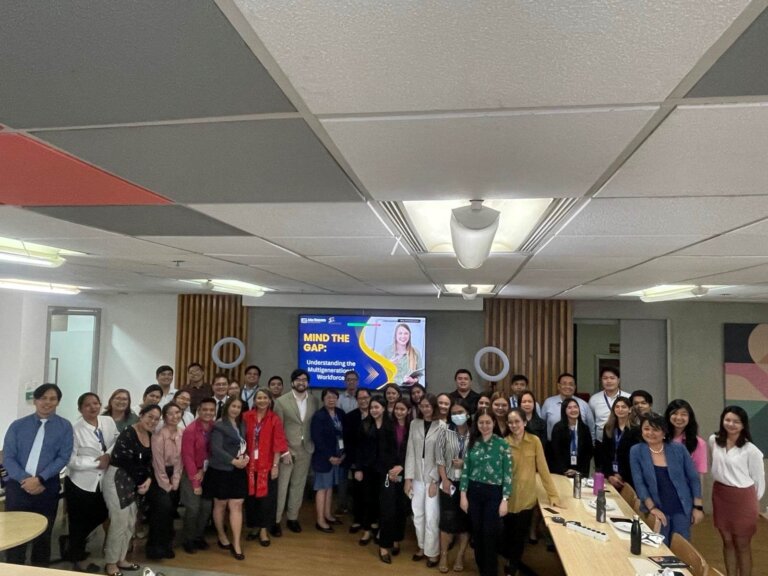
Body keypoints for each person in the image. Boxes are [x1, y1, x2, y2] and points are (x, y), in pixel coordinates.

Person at [2, 383, 73, 567]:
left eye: (52, 399)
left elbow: (63, 457)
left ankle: (39, 569)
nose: (47, 403)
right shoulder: (18, 426)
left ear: (58, 402)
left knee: (44, 534)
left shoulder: (64, 426)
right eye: (43, 398)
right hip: (18, 486)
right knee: (16, 533)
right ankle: (14, 569)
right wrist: (25, 480)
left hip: (47, 486)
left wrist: (40, 479)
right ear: (35, 400)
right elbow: (8, 457)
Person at [103, 404, 160, 576]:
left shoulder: (149, 435)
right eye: (150, 416)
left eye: (157, 419)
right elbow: (124, 460)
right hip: (118, 479)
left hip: (135, 482)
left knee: (129, 522)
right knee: (119, 522)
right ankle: (111, 563)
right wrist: (142, 481)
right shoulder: (128, 433)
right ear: (141, 415)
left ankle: (122, 559)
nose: (153, 421)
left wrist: (148, 479)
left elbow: (148, 462)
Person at [630, 412, 703, 545]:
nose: (650, 433)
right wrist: (652, 508)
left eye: (655, 429)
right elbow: (639, 483)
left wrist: (697, 507)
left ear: (664, 432)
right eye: (646, 429)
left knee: (680, 546)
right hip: (656, 506)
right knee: (659, 546)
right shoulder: (636, 451)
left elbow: (693, 478)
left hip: (680, 506)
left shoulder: (678, 449)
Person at [709, 406, 765, 576]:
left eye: (736, 422)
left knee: (742, 544)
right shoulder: (714, 440)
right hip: (720, 495)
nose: (731, 424)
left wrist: (751, 504)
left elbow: (759, 481)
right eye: (728, 420)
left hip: (743, 499)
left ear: (743, 425)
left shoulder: (751, 450)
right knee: (727, 541)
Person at [66, 392, 118, 572]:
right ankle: (77, 558)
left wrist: (108, 456)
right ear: (80, 409)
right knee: (78, 521)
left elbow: (116, 440)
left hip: (103, 481)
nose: (93, 407)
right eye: (87, 405)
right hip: (80, 482)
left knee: (102, 513)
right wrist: (97, 462)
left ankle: (72, 542)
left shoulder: (108, 421)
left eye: (96, 403)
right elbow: (70, 460)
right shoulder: (75, 429)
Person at [504, 408, 559, 576]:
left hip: (527, 498)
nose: (514, 425)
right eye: (510, 422)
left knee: (520, 537)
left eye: (517, 422)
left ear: (525, 422)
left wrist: (553, 495)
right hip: (508, 498)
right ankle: (512, 562)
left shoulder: (534, 441)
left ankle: (512, 568)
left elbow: (543, 469)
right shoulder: (503, 443)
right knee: (509, 535)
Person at [459, 408, 511, 576]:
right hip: (474, 492)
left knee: (490, 534)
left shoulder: (502, 444)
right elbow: (466, 471)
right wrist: (463, 496)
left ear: (494, 423)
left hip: (494, 494)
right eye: (481, 422)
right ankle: (483, 570)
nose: (485, 425)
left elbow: (508, 474)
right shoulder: (473, 442)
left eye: (488, 422)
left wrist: (505, 499)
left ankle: (490, 572)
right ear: (477, 424)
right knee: (478, 534)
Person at [274, 368, 320, 534]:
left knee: (298, 485)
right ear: (292, 382)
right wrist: (283, 450)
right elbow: (277, 428)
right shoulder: (281, 401)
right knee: (282, 486)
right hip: (286, 450)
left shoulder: (314, 401)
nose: (302, 382)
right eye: (298, 380)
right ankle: (276, 520)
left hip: (306, 449)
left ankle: (293, 518)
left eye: (304, 380)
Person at [205, 396, 250, 561]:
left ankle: (236, 544)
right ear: (227, 407)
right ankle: (222, 535)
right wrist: (234, 461)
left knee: (237, 505)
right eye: (233, 406)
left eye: (238, 407)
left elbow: (244, 445)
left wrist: (245, 458)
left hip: (238, 471)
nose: (236, 409)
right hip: (221, 471)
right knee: (221, 504)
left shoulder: (241, 424)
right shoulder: (218, 425)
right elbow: (215, 449)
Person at [404, 394, 446, 567]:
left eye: (428, 406)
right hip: (416, 474)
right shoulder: (414, 424)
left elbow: (442, 455)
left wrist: (435, 481)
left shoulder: (442, 426)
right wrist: (408, 478)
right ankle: (421, 547)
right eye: (422, 406)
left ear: (434, 407)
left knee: (432, 516)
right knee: (418, 514)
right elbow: (410, 451)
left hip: (432, 476)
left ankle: (432, 552)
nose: (425, 409)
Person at [244, 389, 288, 546]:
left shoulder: (274, 419)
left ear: (270, 400)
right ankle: (254, 527)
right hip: (248, 466)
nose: (261, 400)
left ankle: (263, 530)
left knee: (266, 500)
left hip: (267, 465)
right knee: (251, 499)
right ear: (254, 400)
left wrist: (275, 465)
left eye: (265, 398)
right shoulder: (246, 417)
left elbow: (278, 443)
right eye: (259, 398)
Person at [436, 400, 471, 573]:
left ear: (468, 414)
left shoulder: (475, 434)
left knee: (465, 524)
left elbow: (478, 461)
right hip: (449, 482)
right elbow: (440, 458)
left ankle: (460, 556)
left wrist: (465, 464)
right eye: (454, 412)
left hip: (468, 485)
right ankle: (443, 555)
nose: (457, 415)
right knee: (446, 521)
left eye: (461, 412)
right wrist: (444, 479)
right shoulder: (445, 432)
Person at [146, 402, 183, 560]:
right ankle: (155, 547)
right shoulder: (158, 434)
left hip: (176, 475)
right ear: (164, 416)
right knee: (161, 511)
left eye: (178, 413)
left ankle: (167, 545)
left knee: (171, 513)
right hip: (158, 476)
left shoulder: (183, 432)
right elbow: (157, 462)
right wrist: (166, 484)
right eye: (170, 413)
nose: (175, 416)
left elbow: (181, 460)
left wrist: (175, 480)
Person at [180, 397, 216, 554]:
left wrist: (204, 470)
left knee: (206, 508)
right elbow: (187, 457)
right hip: (191, 473)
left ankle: (198, 536)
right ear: (199, 411)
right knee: (193, 508)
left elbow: (213, 451)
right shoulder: (190, 430)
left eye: (211, 410)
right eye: (205, 409)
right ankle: (188, 539)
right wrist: (195, 482)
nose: (208, 412)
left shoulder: (215, 428)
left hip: (207, 473)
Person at [378, 398, 410, 562]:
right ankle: (384, 546)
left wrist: (402, 467)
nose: (399, 412)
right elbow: (382, 451)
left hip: (405, 474)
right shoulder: (386, 426)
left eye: (402, 409)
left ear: (408, 411)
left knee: (401, 509)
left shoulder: (412, 428)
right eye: (397, 409)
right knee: (388, 510)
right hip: (388, 474)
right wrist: (391, 470)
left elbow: (414, 452)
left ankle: (396, 540)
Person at [310, 388, 346, 532]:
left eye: (334, 397)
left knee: (330, 487)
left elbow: (345, 435)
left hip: (338, 457)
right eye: (328, 397)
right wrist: (329, 456)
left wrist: (342, 455)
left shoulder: (340, 414)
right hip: (324, 458)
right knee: (322, 488)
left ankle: (328, 515)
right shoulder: (319, 416)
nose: (331, 399)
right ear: (323, 399)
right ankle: (320, 521)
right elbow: (317, 439)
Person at [353, 395, 385, 546]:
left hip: (384, 470)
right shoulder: (364, 424)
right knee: (367, 500)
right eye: (372, 407)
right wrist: (358, 468)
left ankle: (379, 529)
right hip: (367, 469)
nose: (374, 410)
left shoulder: (389, 425)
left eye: (377, 407)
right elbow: (359, 448)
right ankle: (367, 530)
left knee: (382, 501)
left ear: (383, 408)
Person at [588, 367, 630, 470]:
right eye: (605, 378)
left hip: (623, 442)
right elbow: (591, 423)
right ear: (601, 380)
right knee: (602, 472)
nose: (609, 381)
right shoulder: (594, 399)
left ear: (618, 380)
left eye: (612, 378)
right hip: (601, 442)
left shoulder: (628, 397)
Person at [344, 387, 372, 534]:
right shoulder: (350, 417)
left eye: (366, 398)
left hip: (374, 462)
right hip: (357, 462)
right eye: (360, 398)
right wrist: (356, 465)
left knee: (372, 493)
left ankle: (371, 522)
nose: (363, 401)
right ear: (357, 400)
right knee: (358, 492)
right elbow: (349, 443)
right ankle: (358, 520)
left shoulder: (377, 414)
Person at [665, 399, 708, 487]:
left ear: (690, 417)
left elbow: (698, 475)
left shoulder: (698, 443)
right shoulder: (660, 438)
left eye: (683, 414)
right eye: (674, 413)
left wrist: (698, 498)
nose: (679, 417)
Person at [541, 373, 595, 441]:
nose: (567, 386)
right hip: (553, 447)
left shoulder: (584, 405)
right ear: (558, 386)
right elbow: (542, 426)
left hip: (578, 447)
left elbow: (591, 429)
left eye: (571, 384)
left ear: (575, 387)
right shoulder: (548, 403)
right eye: (564, 384)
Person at [618, 389, 654, 488]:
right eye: (636, 403)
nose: (640, 406)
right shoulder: (629, 424)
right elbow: (622, 451)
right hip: (631, 473)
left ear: (650, 405)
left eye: (643, 403)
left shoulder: (658, 423)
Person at [549, 398, 593, 477]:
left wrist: (578, 471)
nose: (573, 410)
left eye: (575, 407)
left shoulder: (584, 428)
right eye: (569, 408)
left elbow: (588, 452)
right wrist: (564, 470)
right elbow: (555, 452)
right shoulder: (558, 428)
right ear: (564, 410)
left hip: (580, 471)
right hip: (562, 471)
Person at [600, 396, 632, 490]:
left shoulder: (635, 430)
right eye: (617, 407)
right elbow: (604, 454)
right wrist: (610, 475)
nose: (620, 409)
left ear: (630, 410)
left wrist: (621, 475)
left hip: (627, 477)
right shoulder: (609, 428)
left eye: (624, 407)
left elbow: (632, 458)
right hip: (610, 476)